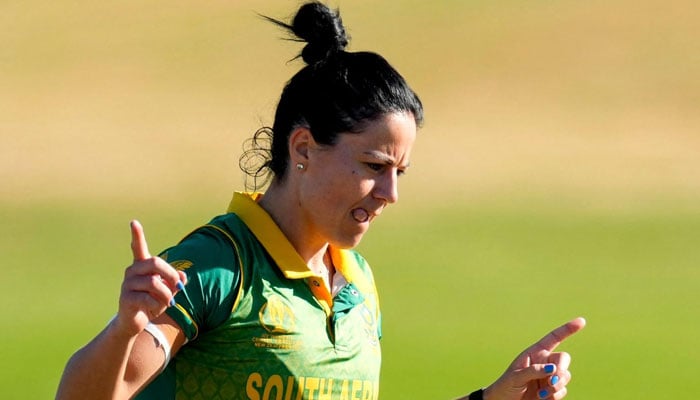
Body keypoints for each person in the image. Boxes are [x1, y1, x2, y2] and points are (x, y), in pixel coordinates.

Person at [56, 2, 585, 399]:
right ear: (304, 147)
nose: (391, 194)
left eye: (399, 172)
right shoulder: (219, 268)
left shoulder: (357, 282)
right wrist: (125, 329)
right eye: (375, 167)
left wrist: (491, 398)